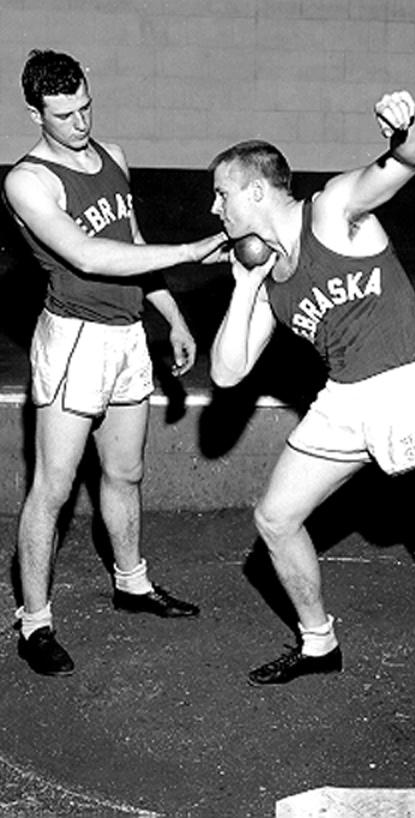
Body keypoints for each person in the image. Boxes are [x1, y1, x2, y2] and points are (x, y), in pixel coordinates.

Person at [209, 90, 415, 686]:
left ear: (256, 190)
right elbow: (226, 372)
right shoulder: (272, 277)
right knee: (275, 518)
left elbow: (410, 159)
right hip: (346, 398)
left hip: (410, 379)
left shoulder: (332, 209)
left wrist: (406, 128)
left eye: (221, 193)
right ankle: (319, 642)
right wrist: (245, 284)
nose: (214, 207)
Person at [3, 49, 226, 677]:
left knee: (126, 473)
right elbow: (88, 256)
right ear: (35, 112)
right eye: (63, 114)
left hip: (129, 336)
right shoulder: (28, 180)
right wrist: (190, 250)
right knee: (53, 485)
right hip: (77, 339)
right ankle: (35, 623)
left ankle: (132, 582)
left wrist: (173, 316)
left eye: (85, 107)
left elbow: (128, 247)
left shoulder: (115, 157)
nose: (79, 122)